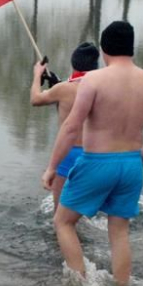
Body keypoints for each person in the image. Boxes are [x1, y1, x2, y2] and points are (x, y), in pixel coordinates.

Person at [42, 21, 143, 286]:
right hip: (131, 164)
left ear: (104, 48)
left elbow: (71, 126)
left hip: (98, 161)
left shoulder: (94, 79)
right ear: (132, 48)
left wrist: (52, 167)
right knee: (119, 232)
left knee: (63, 222)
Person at [31, 42, 99, 211]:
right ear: (96, 65)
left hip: (67, 152)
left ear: (73, 63)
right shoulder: (104, 89)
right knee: (89, 209)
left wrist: (37, 75)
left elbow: (35, 99)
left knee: (60, 212)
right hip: (95, 153)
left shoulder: (63, 89)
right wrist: (58, 83)